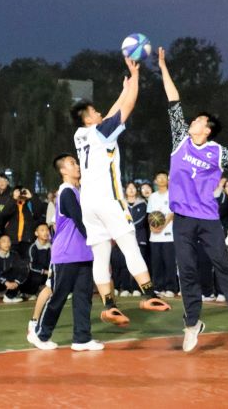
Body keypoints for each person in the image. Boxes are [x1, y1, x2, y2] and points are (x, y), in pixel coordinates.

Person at [158, 46, 228, 352]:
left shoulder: (216, 151)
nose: (193, 121)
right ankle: (192, 324)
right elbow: (173, 101)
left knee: (222, 265)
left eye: (198, 120)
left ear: (207, 129)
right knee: (187, 270)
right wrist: (163, 67)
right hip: (183, 218)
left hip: (208, 217)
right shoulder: (180, 140)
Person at [70, 56, 169, 323]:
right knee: (128, 244)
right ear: (88, 118)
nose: (99, 113)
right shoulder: (101, 133)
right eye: (94, 111)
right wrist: (135, 78)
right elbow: (127, 109)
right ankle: (149, 294)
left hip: (88, 204)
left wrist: (123, 90)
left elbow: (110, 116)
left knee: (100, 254)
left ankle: (108, 305)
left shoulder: (81, 135)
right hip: (108, 200)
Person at [28, 153, 102, 351]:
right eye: (72, 163)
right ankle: (40, 334)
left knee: (83, 297)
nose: (77, 166)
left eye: (76, 162)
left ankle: (82, 338)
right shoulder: (66, 192)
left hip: (83, 253)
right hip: (66, 254)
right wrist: (99, 241)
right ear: (63, 170)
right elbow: (80, 221)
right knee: (59, 296)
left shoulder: (77, 192)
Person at [147, 171, 178, 297]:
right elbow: (150, 214)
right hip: (154, 236)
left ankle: (170, 288)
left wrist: (162, 226)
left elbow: (172, 213)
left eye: (164, 177)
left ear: (168, 180)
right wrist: (152, 227)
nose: (161, 179)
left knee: (169, 263)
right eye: (159, 177)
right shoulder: (152, 196)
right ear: (155, 181)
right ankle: (158, 287)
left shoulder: (172, 194)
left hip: (168, 235)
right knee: (156, 263)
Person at [0, 185, 46, 259]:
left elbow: (38, 213)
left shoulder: (29, 205)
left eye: (22, 192)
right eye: (18, 192)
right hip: (12, 241)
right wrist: (14, 199)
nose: (21, 194)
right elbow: (3, 215)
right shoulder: (11, 204)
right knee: (12, 262)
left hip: (27, 240)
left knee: (26, 262)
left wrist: (32, 197)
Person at [0, 234, 28, 303]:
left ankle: (9, 296)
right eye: (4, 241)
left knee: (20, 270)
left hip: (9, 284)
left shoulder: (14, 254)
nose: (7, 243)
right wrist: (5, 282)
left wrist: (16, 283)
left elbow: (24, 269)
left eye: (8, 241)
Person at [126, 181, 148, 296]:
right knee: (124, 263)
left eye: (133, 187)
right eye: (129, 188)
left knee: (139, 262)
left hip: (140, 237)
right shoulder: (121, 204)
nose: (131, 190)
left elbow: (142, 219)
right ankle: (125, 288)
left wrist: (129, 227)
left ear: (137, 190)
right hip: (125, 237)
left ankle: (137, 288)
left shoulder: (142, 203)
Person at [27, 222, 52, 296]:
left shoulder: (52, 246)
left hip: (49, 272)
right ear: (36, 233)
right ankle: (33, 292)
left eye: (47, 230)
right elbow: (32, 266)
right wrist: (46, 272)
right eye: (42, 230)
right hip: (38, 273)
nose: (46, 232)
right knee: (36, 278)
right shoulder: (33, 247)